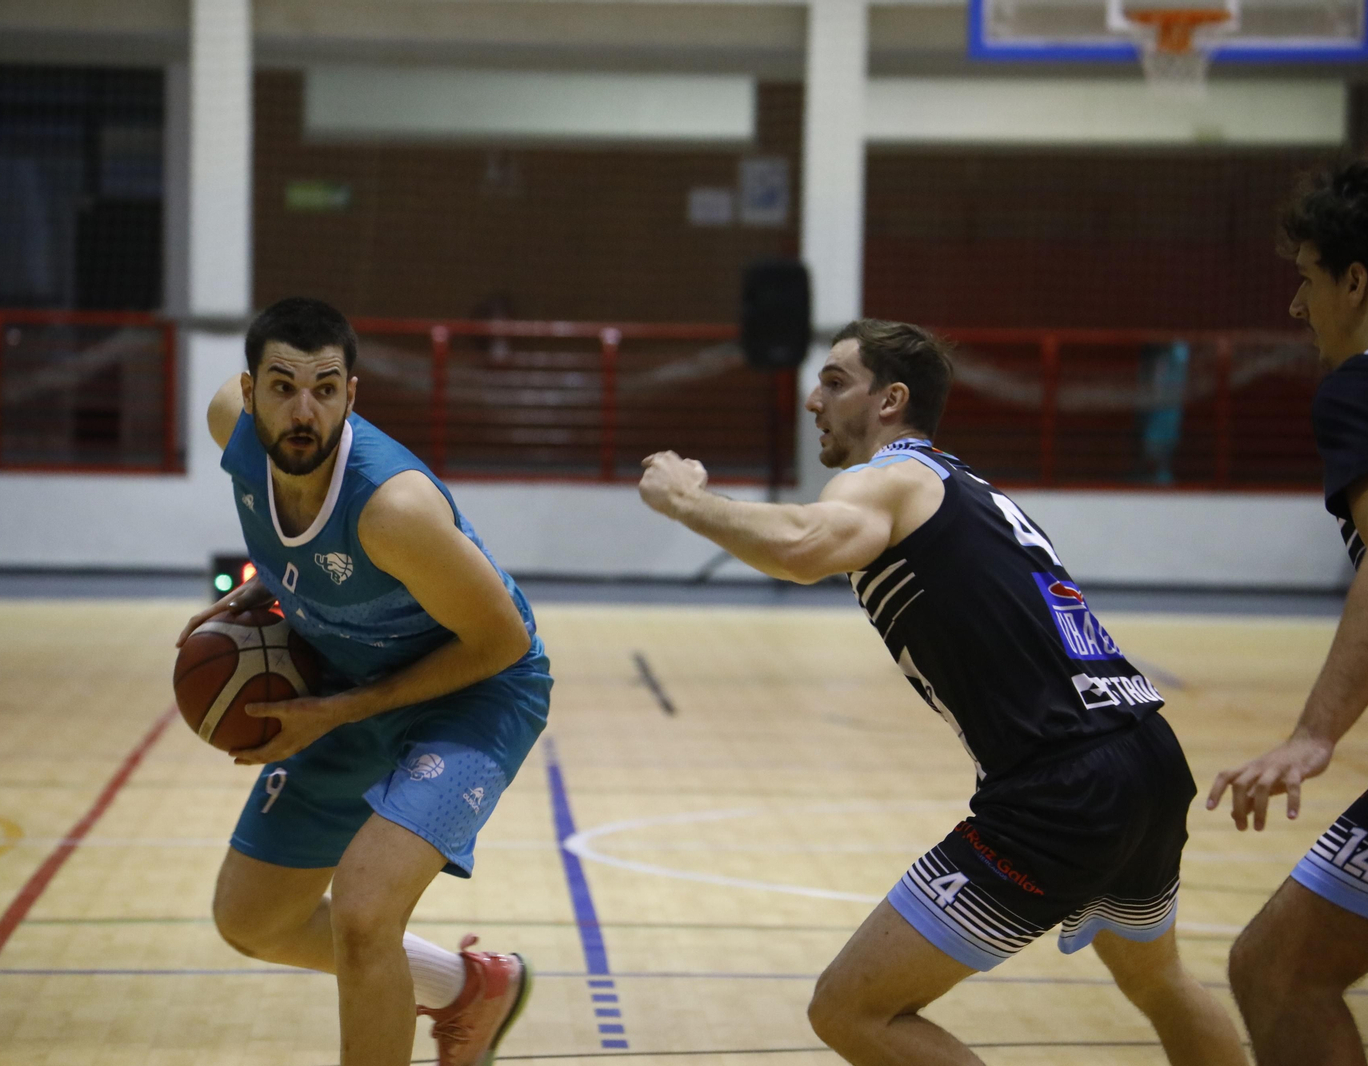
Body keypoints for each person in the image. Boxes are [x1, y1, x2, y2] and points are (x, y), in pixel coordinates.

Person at [638, 319, 1246, 1065]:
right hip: (1146, 757)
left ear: (891, 400)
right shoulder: (961, 482)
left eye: (835, 382)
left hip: (1062, 789)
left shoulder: (888, 477)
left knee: (852, 1009)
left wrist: (685, 500)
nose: (813, 401)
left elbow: (801, 547)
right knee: (1159, 980)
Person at [175, 297, 552, 1066]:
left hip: (474, 692)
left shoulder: (392, 510)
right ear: (248, 394)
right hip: (351, 676)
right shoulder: (230, 430)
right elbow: (301, 551)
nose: (303, 410)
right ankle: (468, 987)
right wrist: (258, 591)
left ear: (352, 395)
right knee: (253, 917)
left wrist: (343, 709)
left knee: (364, 908)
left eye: (325, 389)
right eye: (282, 387)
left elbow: (502, 641)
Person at [1208, 154, 1368, 1066]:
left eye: (1307, 278)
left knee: (1278, 970)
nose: (1297, 307)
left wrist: (1314, 733)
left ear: (1356, 281)